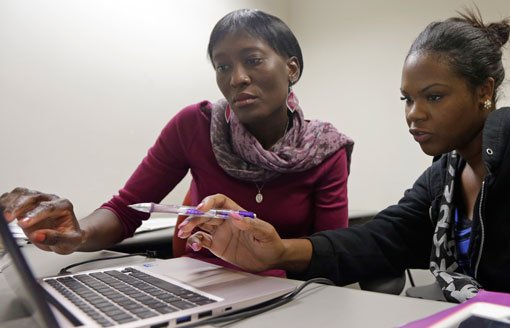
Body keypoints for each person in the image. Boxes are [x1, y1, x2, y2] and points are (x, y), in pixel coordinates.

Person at [173, 9, 510, 317]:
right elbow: (381, 240)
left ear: (483, 90)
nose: (414, 113)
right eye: (407, 99)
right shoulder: (444, 177)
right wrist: (278, 251)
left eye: (434, 97)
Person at [0, 9, 354, 278]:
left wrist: (274, 258)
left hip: (284, 292)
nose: (237, 78)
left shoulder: (324, 149)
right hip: (197, 283)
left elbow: (331, 253)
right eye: (222, 66)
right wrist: (79, 234)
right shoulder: (195, 126)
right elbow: (127, 210)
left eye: (253, 60)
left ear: (291, 68)